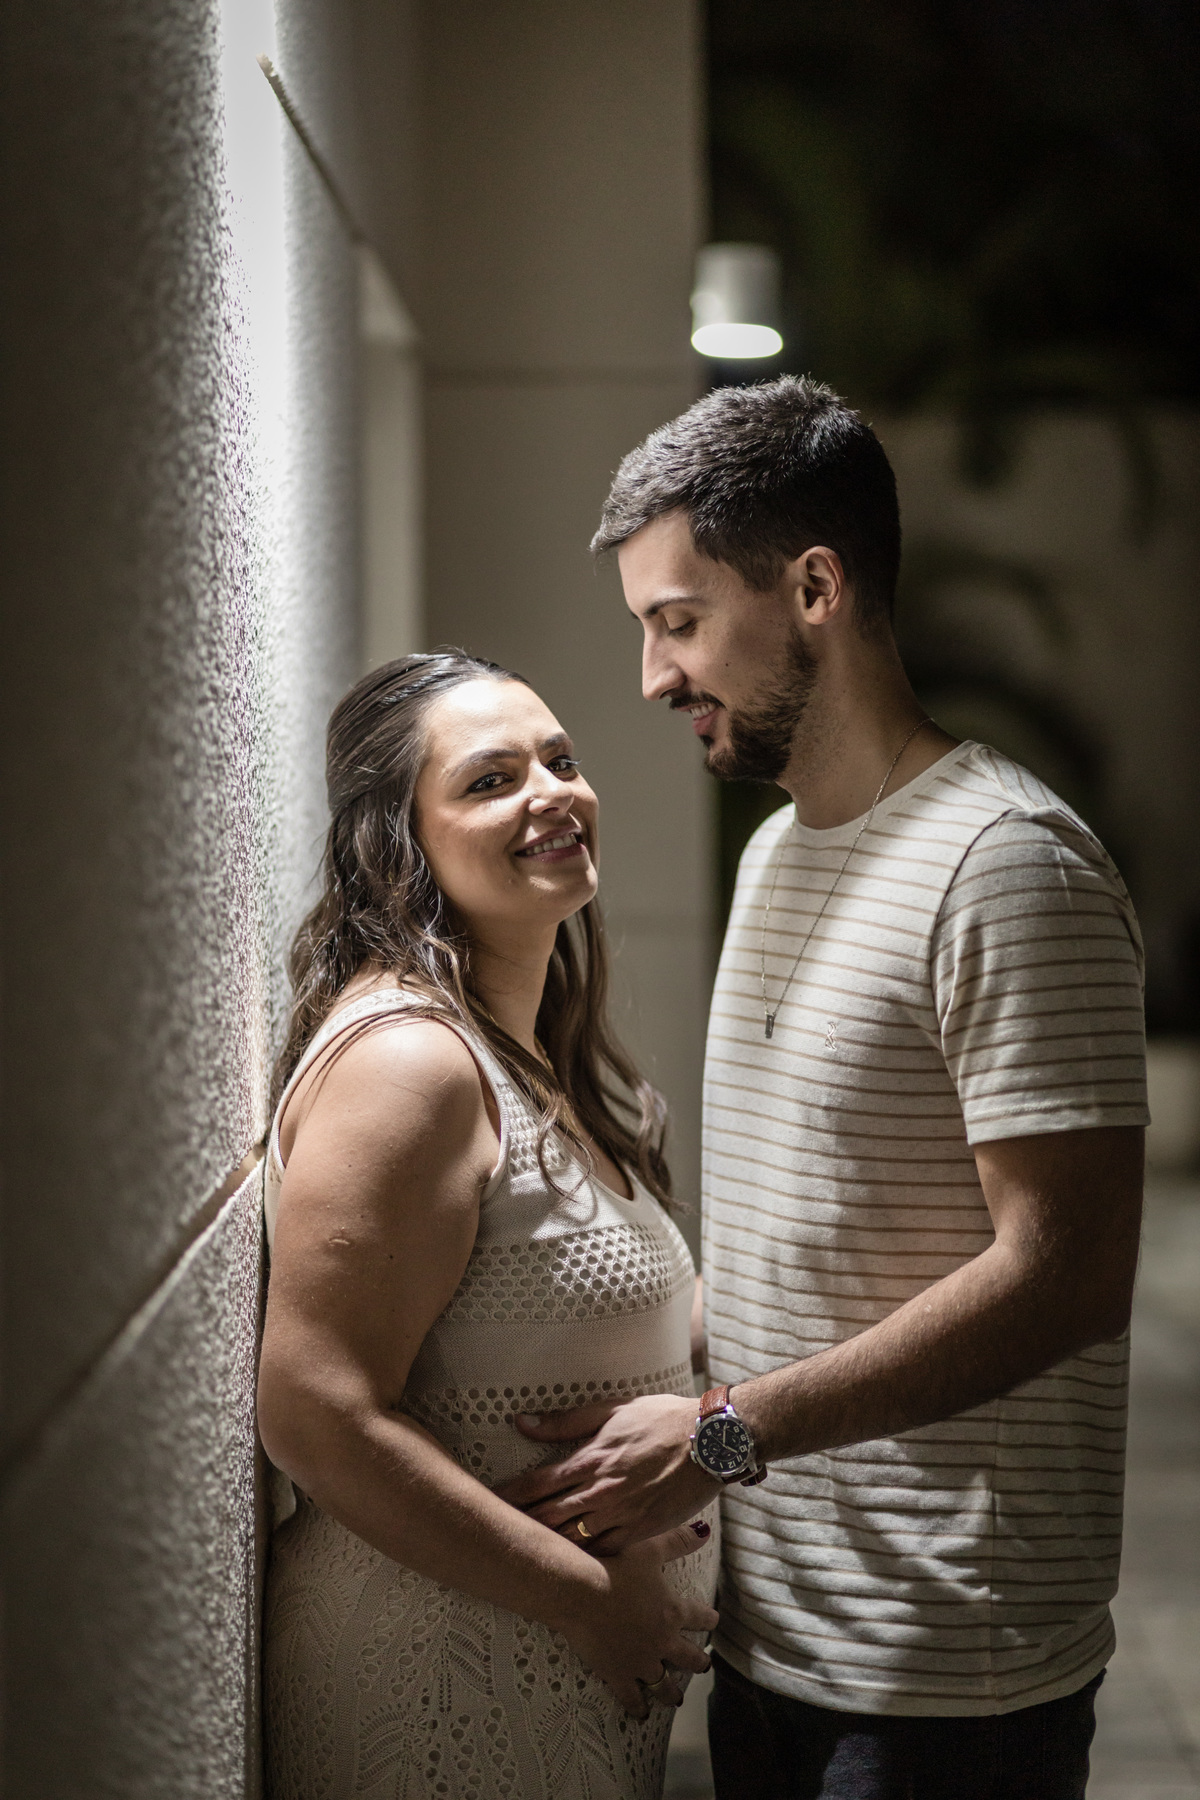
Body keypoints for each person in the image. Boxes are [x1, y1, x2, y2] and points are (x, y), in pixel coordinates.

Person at [499, 378, 1149, 1799]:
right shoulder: (777, 852)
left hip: (946, 1678)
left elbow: (1071, 1274)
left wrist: (724, 1436)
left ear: (813, 588)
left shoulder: (1008, 867)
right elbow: (809, 1243)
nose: (654, 677)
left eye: (680, 622)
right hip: (772, 1638)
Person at [257, 651, 719, 1800]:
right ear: (398, 844)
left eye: (560, 761)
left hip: (546, 1697)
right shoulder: (412, 1065)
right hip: (439, 1691)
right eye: (491, 780)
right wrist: (588, 1597)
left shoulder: (526, 1049)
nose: (552, 794)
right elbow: (314, 1409)